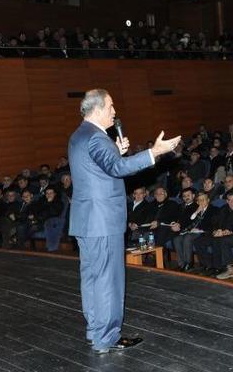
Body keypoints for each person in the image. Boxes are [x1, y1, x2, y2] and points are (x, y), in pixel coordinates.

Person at [68, 88, 180, 354]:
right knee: (109, 280)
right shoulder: (96, 138)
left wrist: (115, 151)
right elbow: (116, 169)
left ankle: (96, 332)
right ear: (97, 109)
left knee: (93, 278)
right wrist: (155, 152)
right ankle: (107, 338)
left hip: (87, 221)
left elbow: (99, 168)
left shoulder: (79, 135)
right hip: (103, 221)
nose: (114, 111)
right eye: (111, 106)